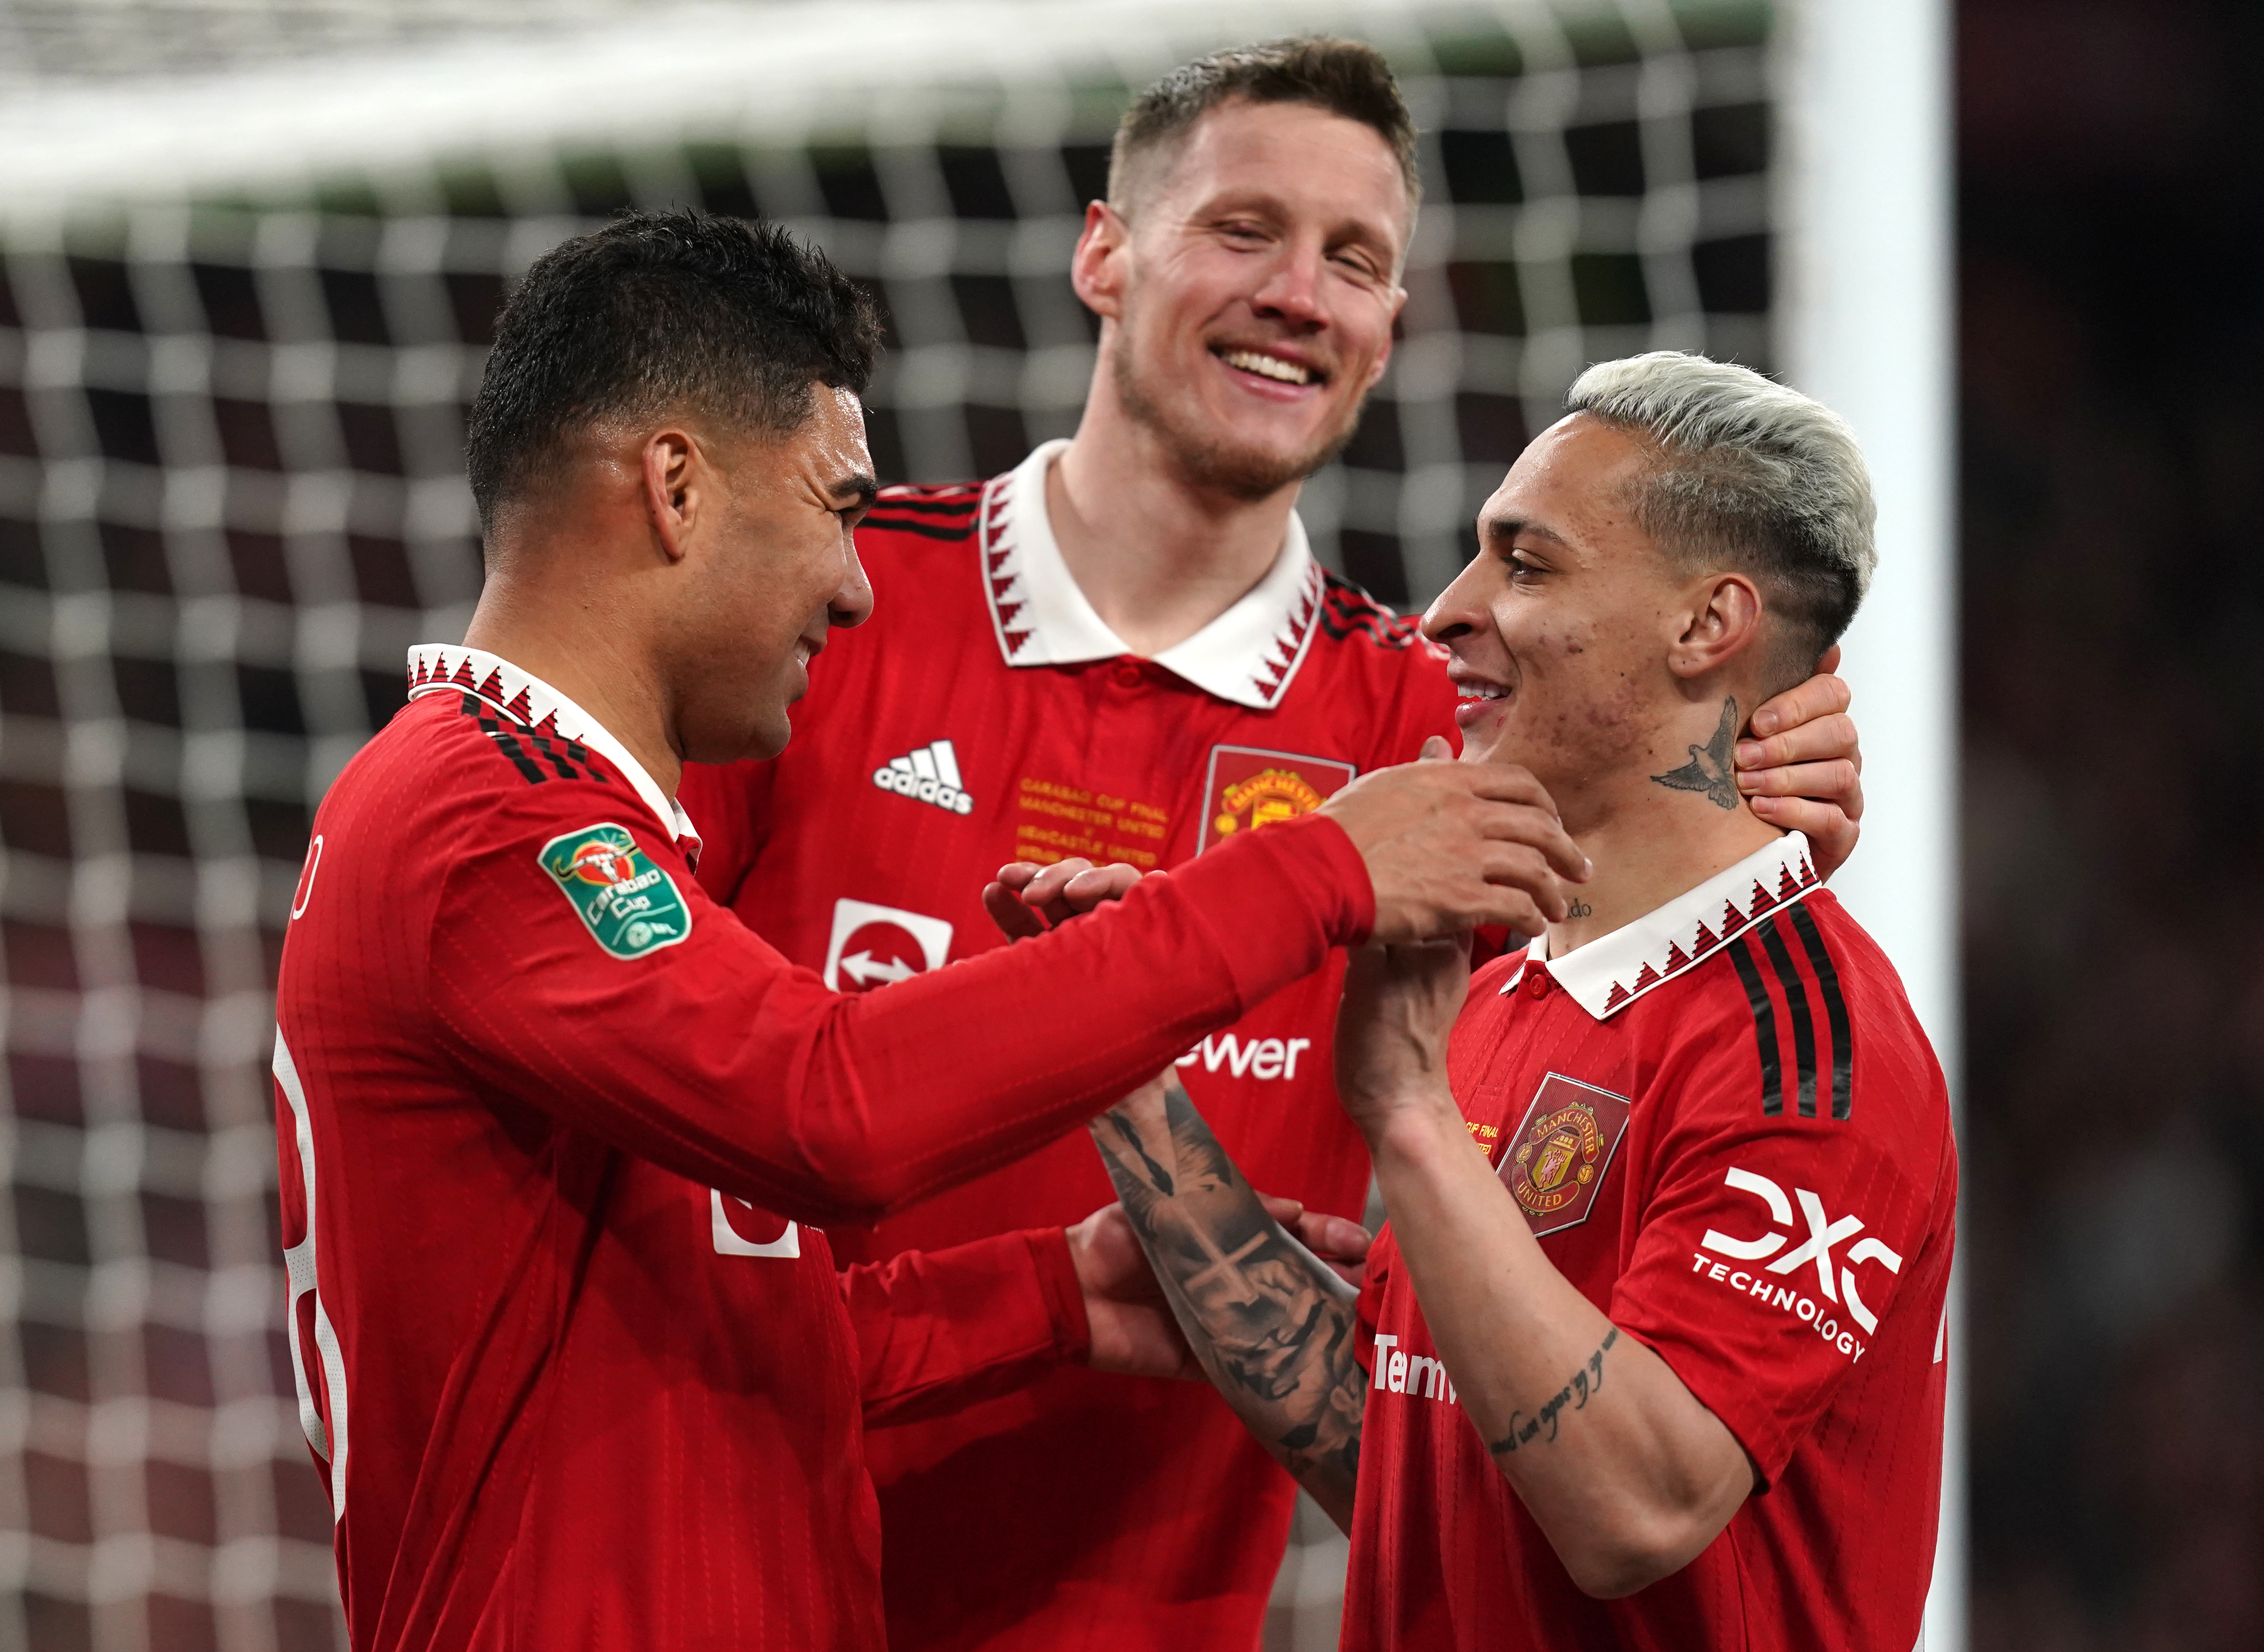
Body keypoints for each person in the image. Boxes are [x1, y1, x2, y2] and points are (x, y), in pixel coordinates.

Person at [677, 37, 1870, 1652]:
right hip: (718, 1579)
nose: (1299, 294)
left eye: (1354, 260)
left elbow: (1671, 951)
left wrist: (1757, 757)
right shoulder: (821, 614)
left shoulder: (1434, 730)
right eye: (1243, 231)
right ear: (1104, 250)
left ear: (1388, 328)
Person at [269, 211, 1586, 1650]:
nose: (853, 581)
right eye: (835, 505)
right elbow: (827, 1105)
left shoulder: (535, 812)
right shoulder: (492, 821)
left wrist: (1049, 1293)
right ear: (674, 488)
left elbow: (720, 1328)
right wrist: (1312, 870)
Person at [1094, 352, 1954, 1651]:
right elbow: (1413, 1465)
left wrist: (1409, 1117)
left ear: (1704, 627)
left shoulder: (1809, 1050)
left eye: (1527, 563)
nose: (1446, 611)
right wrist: (1133, 1091)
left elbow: (1636, 1509)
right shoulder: (1506, 990)